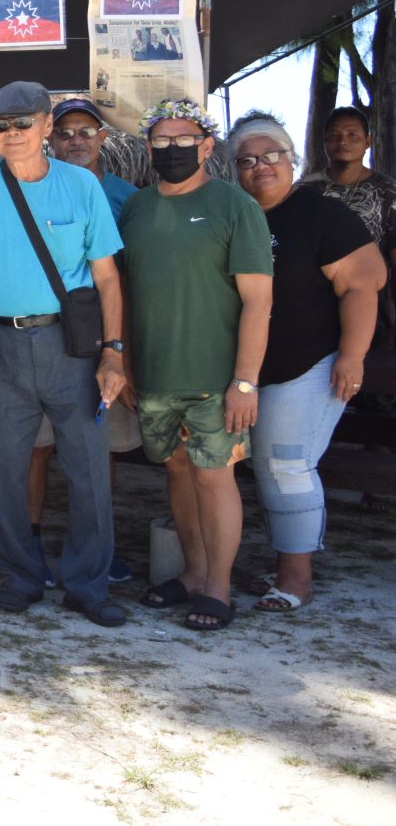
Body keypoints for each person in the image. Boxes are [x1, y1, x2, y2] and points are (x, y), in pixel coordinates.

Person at [0, 81, 130, 626]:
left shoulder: (82, 186)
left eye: (24, 124)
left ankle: (88, 583)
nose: (12, 134)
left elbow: (108, 278)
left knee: (89, 469)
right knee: (2, 466)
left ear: (48, 126)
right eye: (0, 125)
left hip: (69, 347)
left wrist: (113, 353)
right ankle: (20, 574)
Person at [118, 100, 272, 631]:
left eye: (184, 140)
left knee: (214, 478)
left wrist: (245, 381)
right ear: (148, 148)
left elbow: (258, 300)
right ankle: (193, 573)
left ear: (207, 146)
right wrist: (128, 365)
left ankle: (219, 590)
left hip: (216, 379)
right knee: (178, 474)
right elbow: (127, 294)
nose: (173, 150)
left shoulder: (235, 207)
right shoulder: (135, 210)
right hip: (155, 376)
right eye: (161, 141)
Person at [231, 114, 384, 612]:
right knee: (262, 465)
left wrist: (354, 357)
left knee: (288, 463)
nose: (261, 166)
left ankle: (296, 576)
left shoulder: (322, 213)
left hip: (312, 361)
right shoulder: (236, 214)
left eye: (271, 154)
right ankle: (276, 564)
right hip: (250, 368)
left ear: (291, 158)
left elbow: (364, 282)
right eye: (248, 159)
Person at [29, 98, 142, 586]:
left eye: (86, 131)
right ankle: (30, 543)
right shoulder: (34, 188)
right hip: (44, 335)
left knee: (102, 448)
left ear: (102, 138)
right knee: (35, 447)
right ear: (50, 138)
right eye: (66, 131)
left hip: (105, 338)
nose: (76, 139)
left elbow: (132, 278)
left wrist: (124, 352)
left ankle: (97, 546)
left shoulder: (128, 198)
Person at [304, 105, 396, 346]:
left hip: (374, 308)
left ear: (368, 141)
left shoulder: (388, 192)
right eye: (334, 135)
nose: (342, 141)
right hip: (314, 308)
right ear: (324, 141)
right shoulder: (305, 191)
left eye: (352, 134)